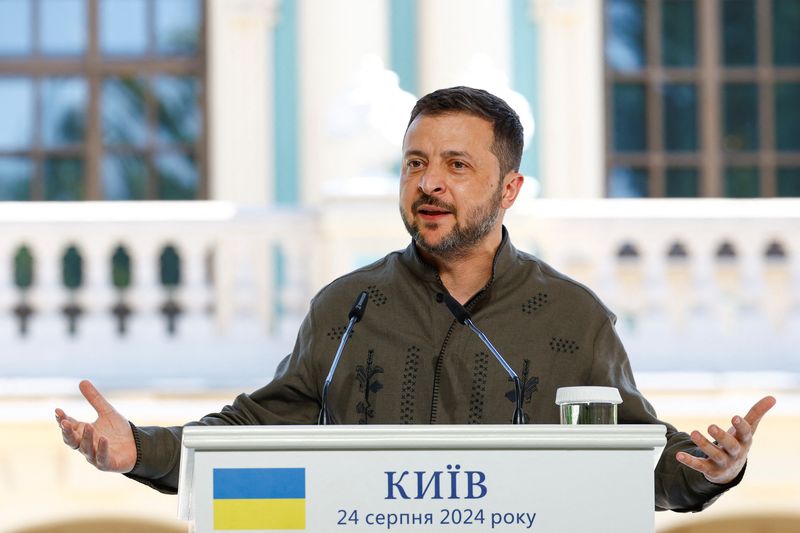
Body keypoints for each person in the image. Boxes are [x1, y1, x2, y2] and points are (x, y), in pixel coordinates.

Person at [56, 86, 775, 512]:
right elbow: (251, 436)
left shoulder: (574, 317)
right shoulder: (346, 307)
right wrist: (138, 448)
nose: (429, 182)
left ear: (509, 188)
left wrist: (716, 467)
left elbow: (635, 459)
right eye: (415, 163)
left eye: (457, 165)